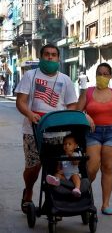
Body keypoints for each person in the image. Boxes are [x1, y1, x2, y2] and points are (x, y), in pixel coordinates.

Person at [15, 44, 78, 213]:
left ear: (58, 58)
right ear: (41, 57)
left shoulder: (65, 79)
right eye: (47, 54)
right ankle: (28, 192)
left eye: (53, 55)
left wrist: (65, 119)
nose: (50, 57)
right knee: (33, 168)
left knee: (57, 168)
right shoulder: (30, 76)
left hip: (58, 132)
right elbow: (20, 101)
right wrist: (29, 114)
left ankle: (56, 199)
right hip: (33, 130)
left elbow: (72, 105)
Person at [77, 62, 112, 215]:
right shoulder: (87, 93)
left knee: (107, 168)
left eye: (105, 74)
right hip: (92, 133)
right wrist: (85, 115)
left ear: (110, 76)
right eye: (99, 73)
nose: (102, 76)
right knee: (92, 167)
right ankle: (83, 191)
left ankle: (105, 204)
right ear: (95, 76)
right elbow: (76, 112)